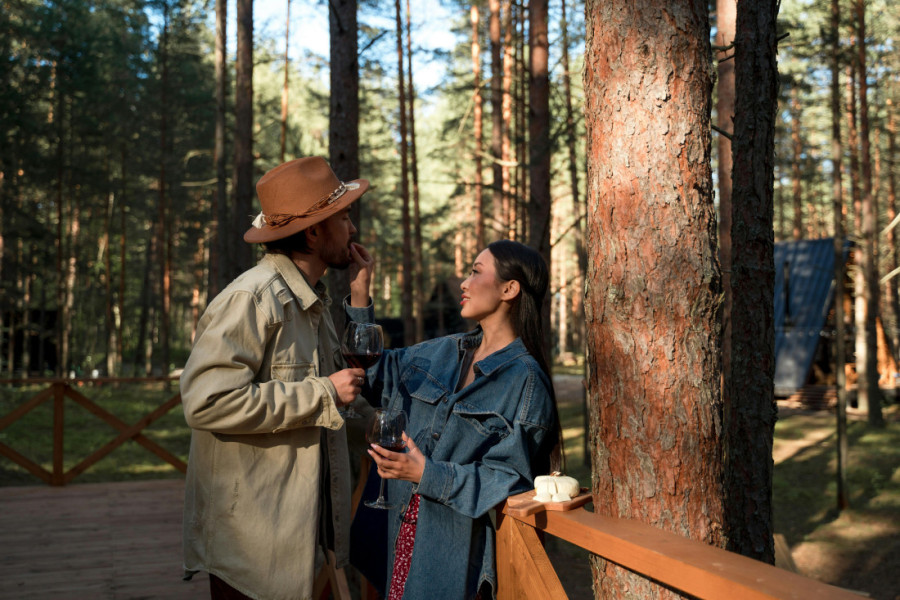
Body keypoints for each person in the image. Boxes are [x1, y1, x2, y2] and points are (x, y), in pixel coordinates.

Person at [180, 156, 375, 600]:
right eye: (344, 218)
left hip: (303, 538)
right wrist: (322, 392)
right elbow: (206, 401)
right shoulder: (253, 298)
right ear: (313, 232)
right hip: (253, 546)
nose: (353, 230)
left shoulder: (311, 305)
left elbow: (346, 401)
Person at [348, 239, 560, 600]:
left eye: (476, 272)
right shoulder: (440, 351)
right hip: (397, 542)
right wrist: (359, 293)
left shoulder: (526, 382)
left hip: (452, 561)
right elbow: (371, 372)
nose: (464, 283)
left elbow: (506, 479)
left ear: (509, 289)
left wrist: (425, 473)